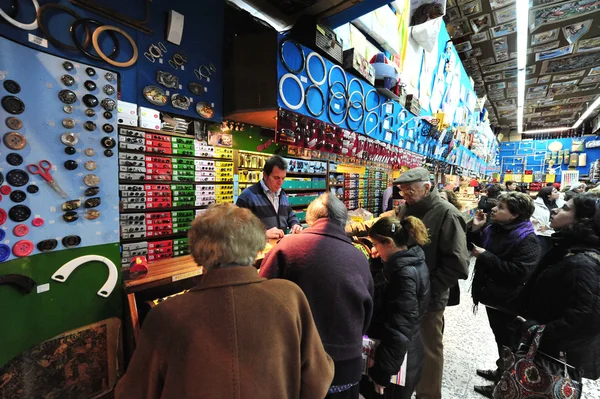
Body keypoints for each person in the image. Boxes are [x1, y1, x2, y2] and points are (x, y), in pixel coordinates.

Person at [115, 204, 334, 399]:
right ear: (257, 246)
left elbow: (133, 392)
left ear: (197, 250)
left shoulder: (166, 315)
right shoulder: (289, 297)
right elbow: (318, 381)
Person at [347, 167, 470, 399]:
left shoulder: (447, 214)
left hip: (429, 296)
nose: (405, 195)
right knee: (403, 343)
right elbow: (383, 229)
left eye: (410, 190)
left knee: (428, 348)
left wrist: (425, 290)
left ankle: (428, 395)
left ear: (427, 187)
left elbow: (458, 265)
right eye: (402, 191)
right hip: (404, 289)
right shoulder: (405, 209)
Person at [260, 193, 374, 399]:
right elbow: (366, 314)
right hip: (345, 368)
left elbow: (261, 301)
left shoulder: (285, 248)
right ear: (343, 222)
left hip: (295, 365)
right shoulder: (359, 257)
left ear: (309, 219)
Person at [520, 193, 600, 384]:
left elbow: (585, 318)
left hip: (556, 356)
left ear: (583, 219)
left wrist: (539, 332)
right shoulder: (566, 249)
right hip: (550, 349)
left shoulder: (582, 262)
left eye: (566, 208)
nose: (555, 210)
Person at [467, 192, 541, 398]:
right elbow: (471, 246)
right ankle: (502, 371)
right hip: (492, 296)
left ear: (515, 214)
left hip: (509, 300)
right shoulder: (494, 229)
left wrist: (487, 256)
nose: (494, 209)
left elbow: (519, 272)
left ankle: (506, 385)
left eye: (501, 207)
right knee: (501, 338)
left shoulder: (528, 240)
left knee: (509, 342)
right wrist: (475, 228)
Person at [360, 216, 431, 399]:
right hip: (405, 352)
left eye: (376, 244)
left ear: (389, 243)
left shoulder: (403, 274)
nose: (375, 249)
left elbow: (400, 328)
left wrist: (382, 372)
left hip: (396, 361)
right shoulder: (411, 261)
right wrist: (379, 265)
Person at [236, 155, 302, 239]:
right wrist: (263, 234)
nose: (280, 182)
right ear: (265, 175)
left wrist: (295, 224)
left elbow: (290, 214)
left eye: (283, 178)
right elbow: (237, 230)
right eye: (276, 178)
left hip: (279, 248)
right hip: (259, 250)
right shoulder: (247, 196)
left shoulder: (282, 193)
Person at [531, 186, 559, 255]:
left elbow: (561, 218)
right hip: (540, 233)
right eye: (555, 192)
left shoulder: (560, 203)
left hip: (555, 233)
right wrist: (532, 220)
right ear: (548, 195)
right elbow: (526, 215)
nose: (558, 193)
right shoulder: (535, 204)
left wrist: (547, 226)